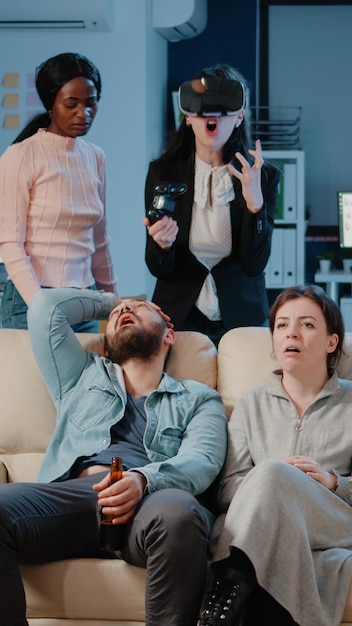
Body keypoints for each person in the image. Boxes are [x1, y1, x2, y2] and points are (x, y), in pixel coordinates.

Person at [0, 286, 227, 626]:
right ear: (106, 344)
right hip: (72, 500)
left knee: (180, 514)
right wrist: (114, 304)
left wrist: (143, 479)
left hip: (148, 506)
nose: (125, 312)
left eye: (141, 308)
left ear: (169, 333)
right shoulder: (80, 375)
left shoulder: (199, 398)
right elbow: (45, 308)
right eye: (122, 311)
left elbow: (203, 459)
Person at [200, 284, 352, 626]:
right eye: (282, 325)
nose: (291, 333)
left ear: (332, 341)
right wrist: (271, 481)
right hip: (264, 527)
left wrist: (331, 481)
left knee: (271, 474)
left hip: (334, 521)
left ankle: (223, 601)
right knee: (270, 474)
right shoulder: (251, 403)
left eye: (307, 324)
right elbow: (226, 489)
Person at [143, 63, 280, 347]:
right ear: (188, 117)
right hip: (178, 318)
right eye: (202, 107)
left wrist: (255, 204)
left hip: (242, 318)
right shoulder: (162, 173)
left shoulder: (263, 176)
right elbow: (158, 268)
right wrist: (161, 246)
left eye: (224, 106)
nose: (212, 115)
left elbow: (254, 265)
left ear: (240, 115)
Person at [0, 52, 118, 332]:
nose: (84, 112)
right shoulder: (20, 156)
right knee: (30, 378)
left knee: (88, 377)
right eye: (71, 104)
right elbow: (9, 244)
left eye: (91, 103)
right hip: (31, 299)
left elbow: (100, 242)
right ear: (51, 104)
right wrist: (40, 304)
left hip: (84, 299)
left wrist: (115, 303)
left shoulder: (96, 157)